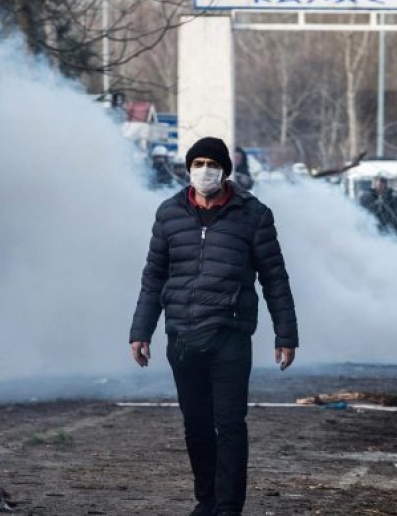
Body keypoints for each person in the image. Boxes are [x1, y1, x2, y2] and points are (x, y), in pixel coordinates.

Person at [129, 137, 298, 516]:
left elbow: (275, 278)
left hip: (230, 336)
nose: (204, 170)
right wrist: (141, 331)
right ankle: (206, 501)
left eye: (211, 163)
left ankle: (227, 507)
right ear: (188, 168)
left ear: (225, 170)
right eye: (198, 162)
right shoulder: (169, 213)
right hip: (183, 338)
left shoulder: (254, 215)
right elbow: (154, 276)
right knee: (197, 427)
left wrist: (285, 334)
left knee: (230, 425)